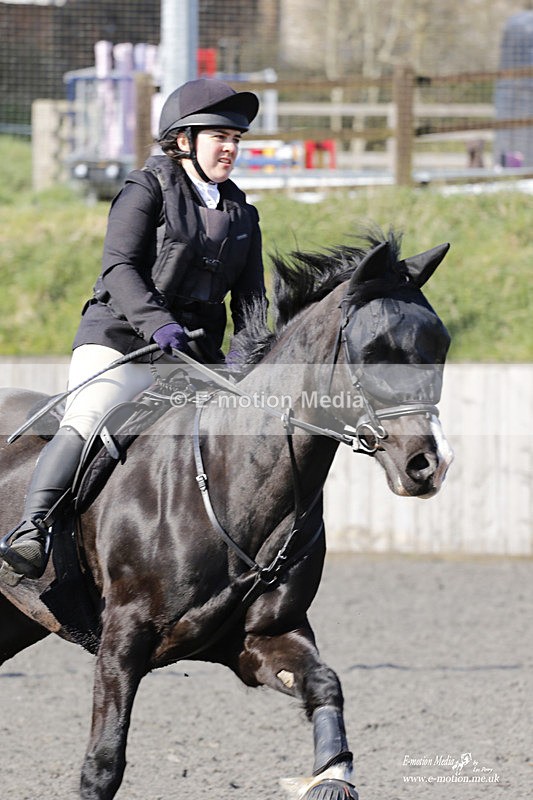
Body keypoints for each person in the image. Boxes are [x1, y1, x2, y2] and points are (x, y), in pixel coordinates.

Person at [0, 78, 265, 582]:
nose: (231, 148)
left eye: (236, 140)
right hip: (120, 337)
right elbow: (120, 267)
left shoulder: (242, 214)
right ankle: (30, 529)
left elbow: (252, 301)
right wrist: (157, 323)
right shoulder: (145, 189)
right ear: (183, 141)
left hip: (190, 358)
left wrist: (244, 362)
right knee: (90, 414)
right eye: (219, 137)